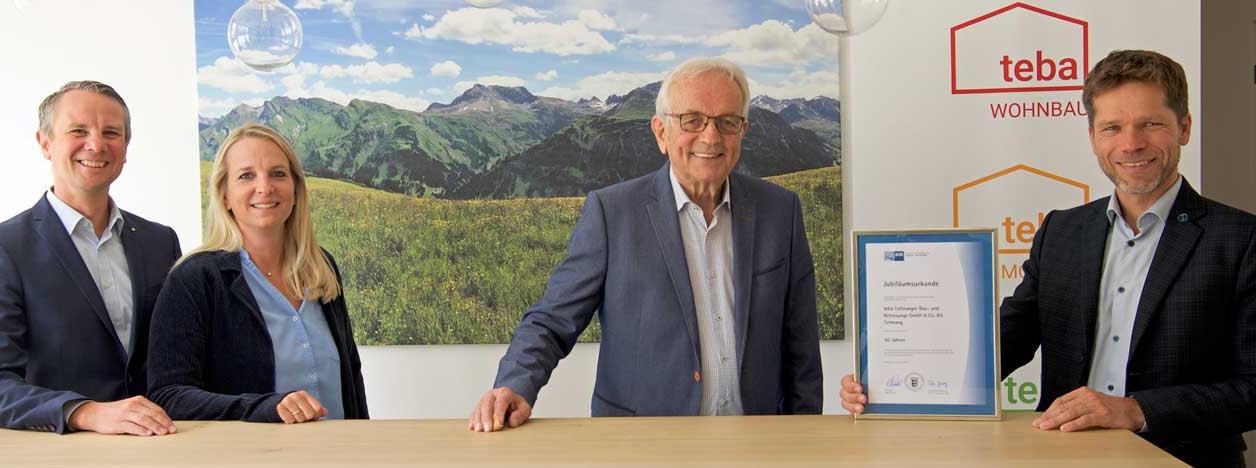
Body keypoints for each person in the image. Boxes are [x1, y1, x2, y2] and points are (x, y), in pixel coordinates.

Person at [839, 50, 1255, 467]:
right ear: (1092, 137)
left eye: (1150, 124)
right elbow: (1007, 339)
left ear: (1184, 127)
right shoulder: (1062, 231)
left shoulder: (1242, 239)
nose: (1131, 143)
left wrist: (1135, 410)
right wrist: (889, 384)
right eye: (1112, 127)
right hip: (1062, 456)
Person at [469, 57, 823, 432]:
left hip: (758, 443)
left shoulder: (781, 211)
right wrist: (515, 385)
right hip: (639, 442)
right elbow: (553, 321)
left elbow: (801, 347)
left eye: (727, 122)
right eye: (692, 120)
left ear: (743, 130)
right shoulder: (611, 213)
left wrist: (806, 437)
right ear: (660, 132)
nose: (711, 136)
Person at [0, 81, 181, 435]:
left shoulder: (160, 242)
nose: (97, 144)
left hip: (162, 442)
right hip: (62, 450)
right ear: (45, 143)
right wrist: (84, 412)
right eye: (78, 131)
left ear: (126, 147)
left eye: (111, 132)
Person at [146, 123, 368, 423]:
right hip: (255, 450)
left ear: (295, 190)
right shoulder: (194, 279)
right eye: (246, 176)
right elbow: (169, 397)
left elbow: (351, 378)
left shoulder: (320, 267)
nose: (264, 187)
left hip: (339, 447)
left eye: (278, 174)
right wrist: (265, 408)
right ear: (225, 195)